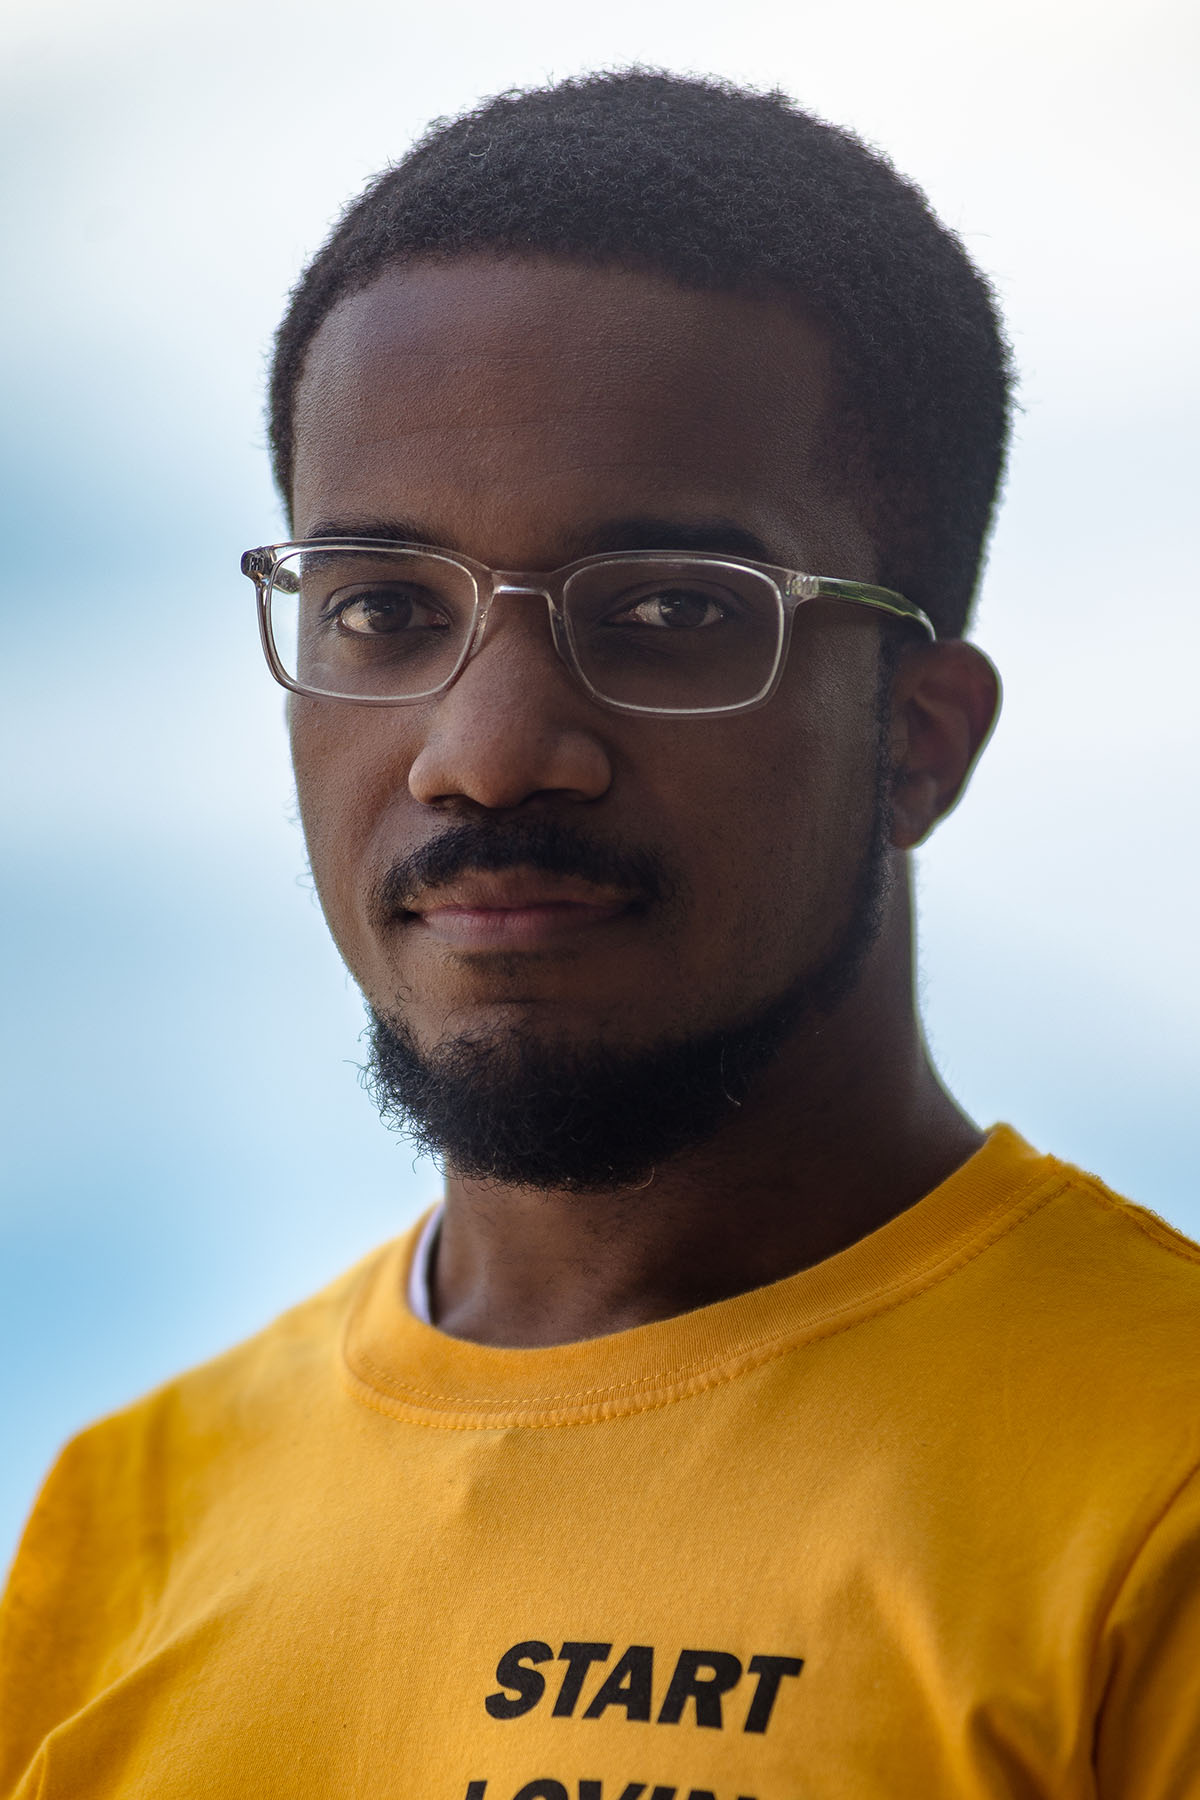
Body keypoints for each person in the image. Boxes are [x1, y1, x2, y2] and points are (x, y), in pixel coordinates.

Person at [2, 69, 1197, 1800]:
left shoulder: (1162, 1493)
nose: (484, 752)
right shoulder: (123, 1520)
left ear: (920, 740)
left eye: (663, 612)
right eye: (383, 609)